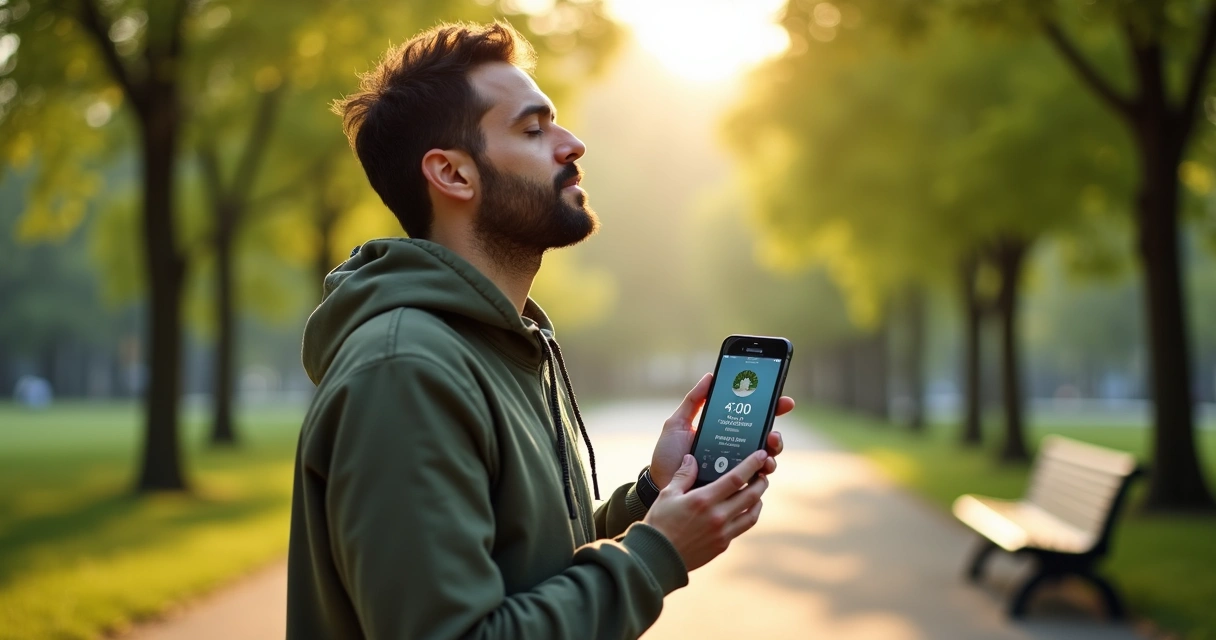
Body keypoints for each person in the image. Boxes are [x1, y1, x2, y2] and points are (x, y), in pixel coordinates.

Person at [286, 21, 794, 639]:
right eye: (533, 129)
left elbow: (532, 575)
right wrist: (659, 552)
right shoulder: (406, 371)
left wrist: (650, 498)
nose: (573, 143)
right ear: (453, 174)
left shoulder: (506, 347)